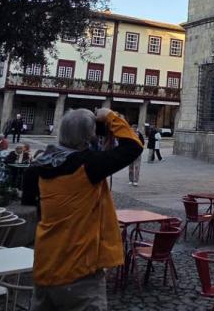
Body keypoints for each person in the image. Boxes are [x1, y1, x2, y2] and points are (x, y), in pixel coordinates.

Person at [22, 108, 143, 310]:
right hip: (78, 268)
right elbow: (133, 147)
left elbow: (29, 202)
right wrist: (111, 117)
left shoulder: (38, 166)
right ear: (88, 137)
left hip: (45, 264)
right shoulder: (87, 168)